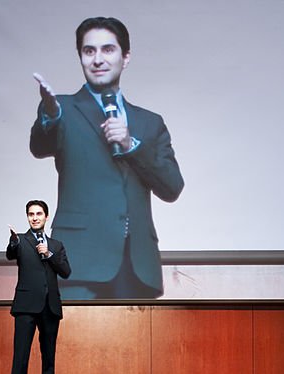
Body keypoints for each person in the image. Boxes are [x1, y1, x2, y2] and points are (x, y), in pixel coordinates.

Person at [30, 17, 183, 300]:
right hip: (78, 264)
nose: (98, 59)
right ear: (81, 57)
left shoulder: (149, 123)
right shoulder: (61, 108)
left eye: (108, 50)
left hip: (136, 267)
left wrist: (130, 144)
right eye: (89, 51)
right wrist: (50, 115)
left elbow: (172, 186)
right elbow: (39, 146)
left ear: (125, 57)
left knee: (137, 346)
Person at [6, 200, 70, 374]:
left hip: (50, 307)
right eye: (31, 214)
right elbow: (10, 253)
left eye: (39, 213)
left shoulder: (56, 245)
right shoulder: (21, 241)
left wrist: (48, 254)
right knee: (21, 353)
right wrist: (13, 242)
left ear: (46, 216)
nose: (35, 217)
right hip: (26, 305)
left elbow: (66, 272)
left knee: (49, 356)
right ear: (27, 217)